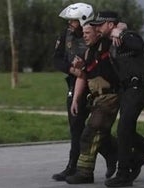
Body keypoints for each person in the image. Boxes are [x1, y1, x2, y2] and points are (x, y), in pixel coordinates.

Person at [90, 11, 144, 187]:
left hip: (140, 87)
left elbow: (136, 45)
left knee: (123, 128)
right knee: (125, 129)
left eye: (100, 24)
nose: (97, 27)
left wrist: (121, 32)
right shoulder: (107, 41)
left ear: (111, 24)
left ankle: (124, 173)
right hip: (127, 89)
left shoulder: (128, 36)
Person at [53, 3, 116, 181]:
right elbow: (56, 59)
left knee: (95, 128)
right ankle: (73, 166)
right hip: (76, 82)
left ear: (82, 21)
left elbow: (117, 26)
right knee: (77, 127)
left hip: (97, 85)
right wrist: (73, 71)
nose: (70, 24)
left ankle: (113, 155)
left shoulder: (98, 36)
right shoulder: (66, 35)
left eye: (72, 21)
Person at [65, 23, 119, 184]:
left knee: (91, 133)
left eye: (88, 32)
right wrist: (75, 100)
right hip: (96, 99)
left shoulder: (108, 46)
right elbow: (82, 76)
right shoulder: (88, 52)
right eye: (83, 33)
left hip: (109, 97)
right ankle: (131, 156)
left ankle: (84, 173)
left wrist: (118, 31)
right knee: (99, 135)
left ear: (98, 32)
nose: (84, 35)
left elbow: (121, 25)